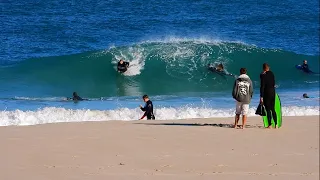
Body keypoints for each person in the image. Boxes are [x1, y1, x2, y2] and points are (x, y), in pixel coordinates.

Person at [260, 63, 278, 129]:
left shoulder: (263, 75)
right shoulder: (272, 74)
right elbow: (273, 83)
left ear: (263, 68)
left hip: (266, 93)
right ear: (269, 68)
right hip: (273, 92)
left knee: (268, 110)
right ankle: (276, 124)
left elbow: (262, 86)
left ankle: (270, 125)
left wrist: (261, 96)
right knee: (273, 109)